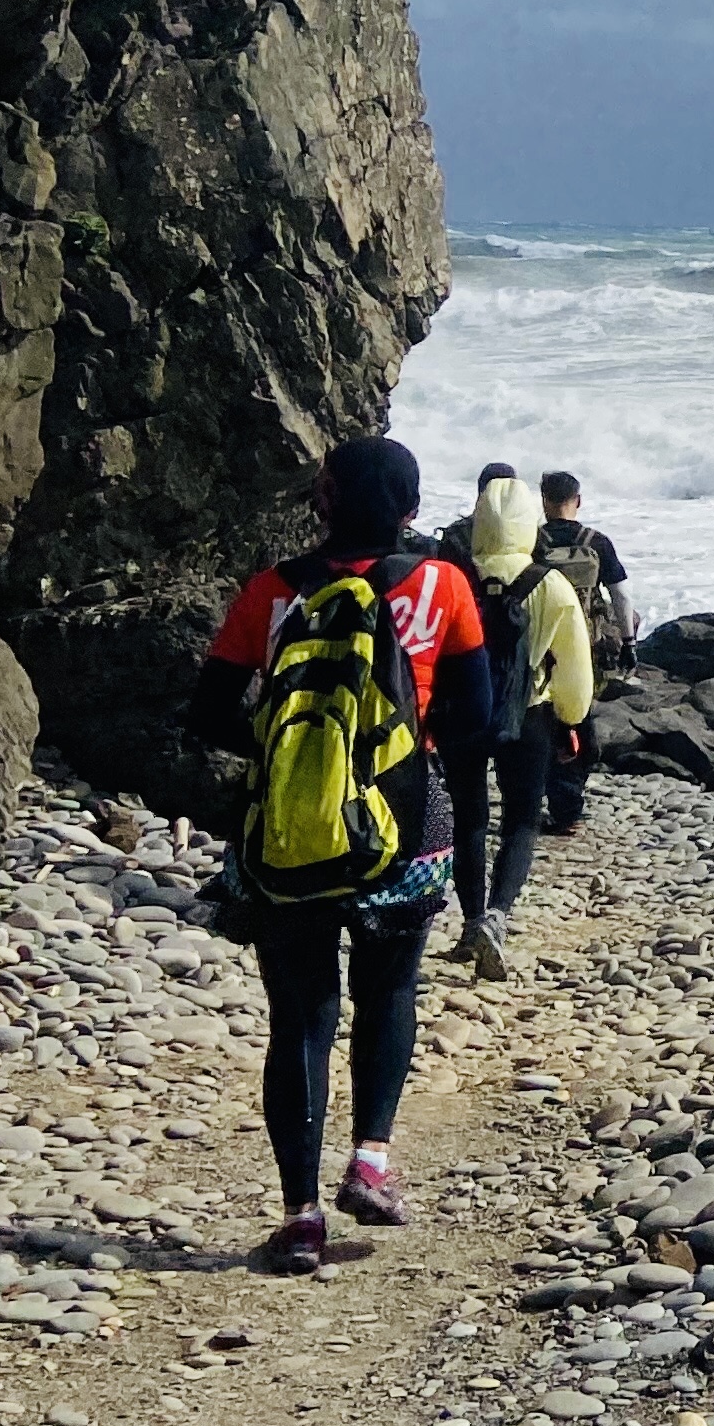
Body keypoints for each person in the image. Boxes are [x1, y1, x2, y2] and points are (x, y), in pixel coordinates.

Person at [191, 434, 492, 1273]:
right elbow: (476, 719)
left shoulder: (272, 591)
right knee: (389, 990)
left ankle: (301, 1216)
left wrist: (297, 758)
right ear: (409, 507)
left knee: (301, 1017)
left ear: (324, 501)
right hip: (406, 821)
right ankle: (371, 1162)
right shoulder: (442, 585)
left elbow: (209, 712)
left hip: (286, 827)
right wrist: (402, 747)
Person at [453, 462, 595, 977]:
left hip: (463, 711)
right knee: (520, 819)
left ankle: (469, 919)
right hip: (529, 713)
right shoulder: (551, 585)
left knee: (468, 817)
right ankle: (498, 913)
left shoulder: (455, 579)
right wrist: (570, 721)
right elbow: (575, 670)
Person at [534, 469, 633, 836]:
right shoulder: (597, 542)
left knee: (541, 724)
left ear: (544, 501)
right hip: (584, 649)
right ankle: (569, 808)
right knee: (576, 720)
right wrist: (629, 641)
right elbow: (622, 595)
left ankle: (540, 802)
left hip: (539, 647)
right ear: (578, 500)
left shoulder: (531, 541)